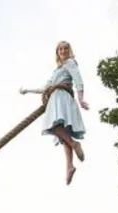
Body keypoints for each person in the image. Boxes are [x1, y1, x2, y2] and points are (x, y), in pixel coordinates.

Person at [20, 40, 89, 185]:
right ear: (57, 53)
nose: (63, 51)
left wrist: (81, 99)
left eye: (65, 48)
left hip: (62, 98)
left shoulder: (70, 63)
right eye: (60, 49)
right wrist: (28, 90)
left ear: (69, 50)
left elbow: (78, 79)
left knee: (52, 126)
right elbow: (45, 88)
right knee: (64, 134)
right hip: (56, 97)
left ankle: (75, 144)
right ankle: (69, 167)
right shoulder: (57, 71)